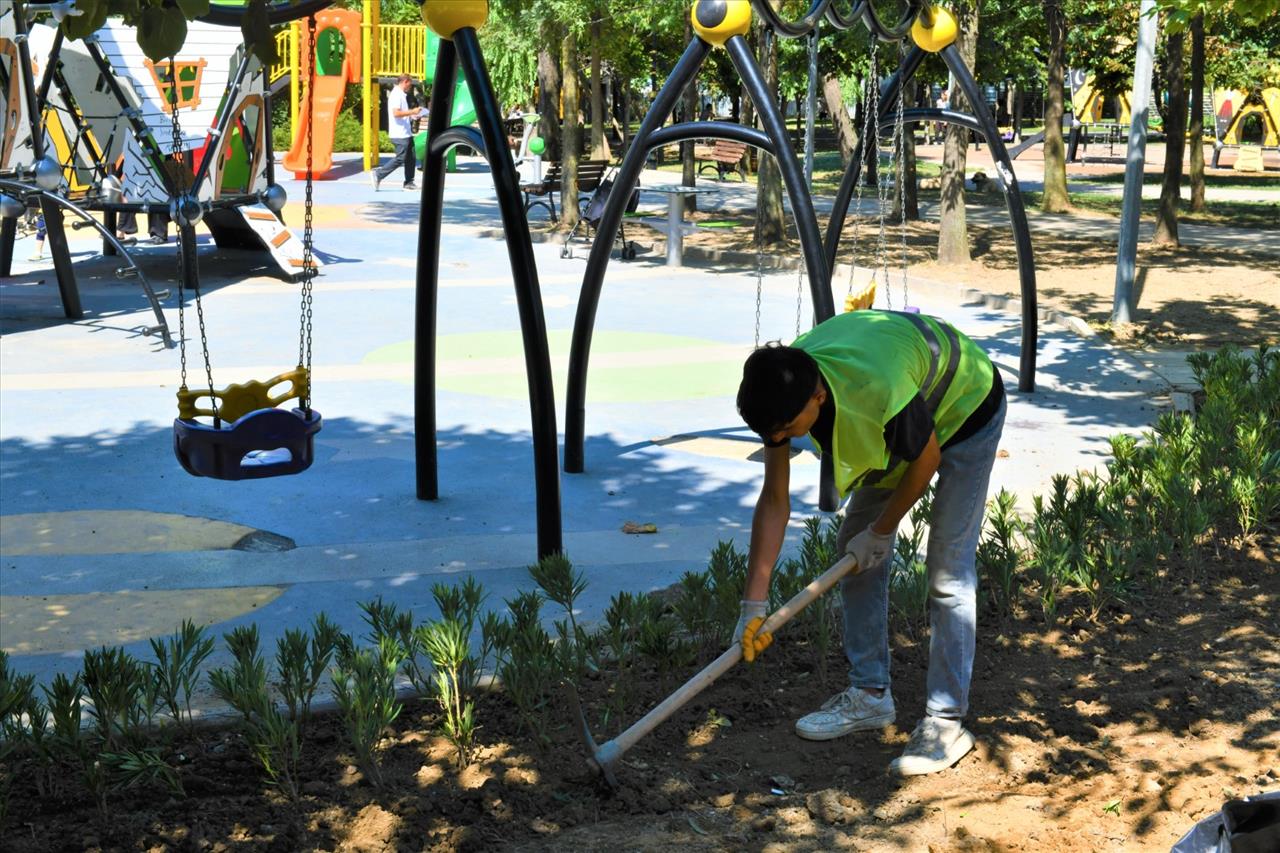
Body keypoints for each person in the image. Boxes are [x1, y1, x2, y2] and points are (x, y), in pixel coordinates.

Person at [733, 308, 1006, 776]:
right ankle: (869, 695)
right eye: (769, 433)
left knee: (947, 570)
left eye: (783, 430)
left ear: (818, 397)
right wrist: (752, 605)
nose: (776, 439)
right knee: (853, 556)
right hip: (906, 408)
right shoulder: (781, 392)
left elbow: (926, 459)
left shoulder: (875, 390)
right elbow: (775, 499)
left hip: (965, 406)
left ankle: (945, 721)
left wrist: (881, 532)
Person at [371, 74, 423, 192]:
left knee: (411, 157)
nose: (410, 86)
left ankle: (409, 183)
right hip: (399, 134)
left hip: (406, 133)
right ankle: (379, 174)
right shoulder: (396, 95)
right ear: (405, 81)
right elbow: (396, 113)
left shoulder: (401, 95)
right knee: (401, 158)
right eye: (410, 83)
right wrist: (412, 111)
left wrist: (412, 116)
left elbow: (402, 114)